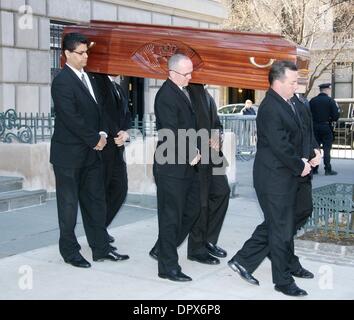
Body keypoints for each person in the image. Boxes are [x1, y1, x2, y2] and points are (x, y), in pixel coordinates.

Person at [227, 60, 312, 297]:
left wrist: (308, 157)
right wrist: (300, 165)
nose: (296, 86)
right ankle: (282, 281)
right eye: (292, 82)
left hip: (285, 175)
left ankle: (244, 260)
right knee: (281, 228)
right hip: (273, 178)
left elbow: (300, 134)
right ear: (278, 82)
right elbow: (280, 146)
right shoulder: (270, 108)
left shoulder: (287, 102)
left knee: (280, 224)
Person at [50, 33, 126, 268]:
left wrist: (103, 134)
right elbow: (70, 117)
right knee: (69, 206)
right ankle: (70, 251)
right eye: (80, 53)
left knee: (96, 203)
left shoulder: (91, 79)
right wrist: (95, 138)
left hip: (93, 153)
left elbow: (100, 111)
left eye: (86, 52)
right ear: (67, 54)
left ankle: (101, 249)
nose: (85, 57)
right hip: (69, 156)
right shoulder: (62, 81)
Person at [149, 84, 230, 265]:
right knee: (198, 203)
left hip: (211, 153)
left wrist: (218, 135)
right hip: (193, 154)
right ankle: (196, 248)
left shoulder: (205, 92)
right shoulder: (188, 90)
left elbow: (215, 122)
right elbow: (182, 127)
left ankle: (206, 240)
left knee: (222, 192)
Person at [152, 53, 201, 282]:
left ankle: (163, 248)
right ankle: (168, 267)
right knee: (170, 217)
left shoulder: (182, 91)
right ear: (172, 73)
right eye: (186, 74)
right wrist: (190, 152)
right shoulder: (165, 96)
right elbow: (170, 131)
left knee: (192, 209)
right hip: (171, 166)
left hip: (186, 166)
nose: (190, 78)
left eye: (191, 72)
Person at [93, 73, 131, 255]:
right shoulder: (97, 82)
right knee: (101, 195)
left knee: (120, 189)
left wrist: (126, 133)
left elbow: (125, 117)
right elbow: (98, 114)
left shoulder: (118, 88)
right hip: (102, 151)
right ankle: (98, 234)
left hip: (117, 151)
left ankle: (98, 230)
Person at [309, 83, 340, 175]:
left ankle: (314, 169)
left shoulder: (312, 101)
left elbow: (308, 114)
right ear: (327, 90)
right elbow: (336, 116)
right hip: (326, 126)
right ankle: (327, 169)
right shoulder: (330, 101)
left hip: (314, 127)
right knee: (327, 149)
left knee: (315, 148)